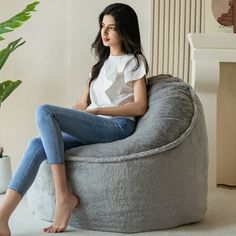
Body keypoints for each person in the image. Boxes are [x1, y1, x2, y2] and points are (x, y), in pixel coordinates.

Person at [0, 3, 149, 235]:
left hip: (118, 126)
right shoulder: (99, 66)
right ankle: (2, 217)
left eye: (112, 27)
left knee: (44, 110)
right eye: (103, 26)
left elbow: (140, 106)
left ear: (125, 30)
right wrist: (59, 122)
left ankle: (63, 197)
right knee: (37, 143)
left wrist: (99, 111)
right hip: (95, 124)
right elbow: (81, 104)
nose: (105, 32)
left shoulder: (134, 62)